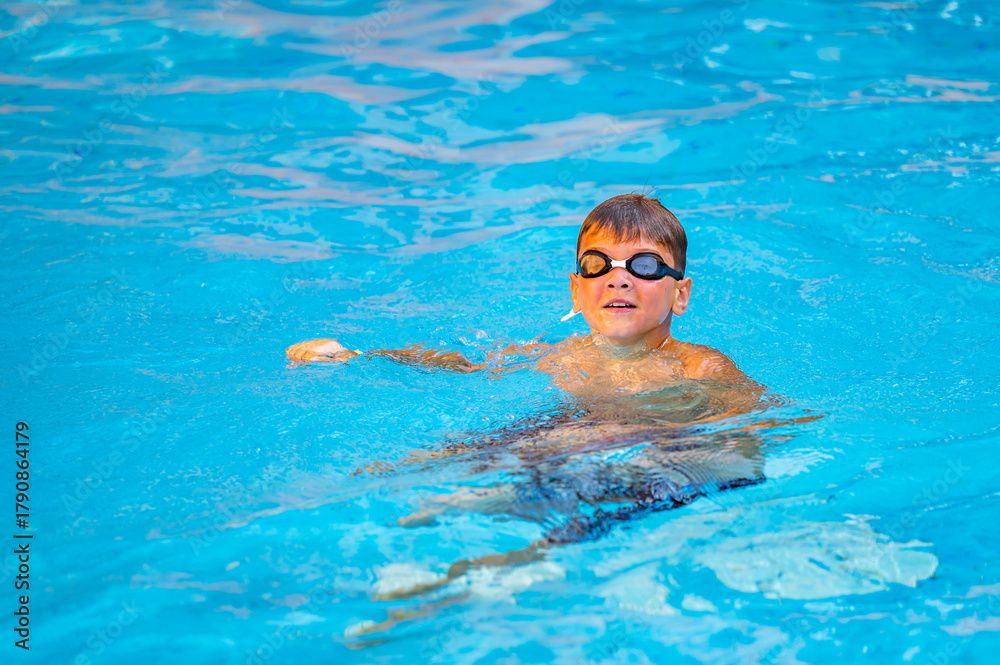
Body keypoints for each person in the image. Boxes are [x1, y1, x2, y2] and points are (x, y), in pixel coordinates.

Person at [285, 193, 763, 411]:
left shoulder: (698, 365)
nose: (619, 280)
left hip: (648, 455)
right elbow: (465, 365)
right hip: (557, 438)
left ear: (680, 293)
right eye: (598, 264)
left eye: (642, 266)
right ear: (576, 290)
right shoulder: (561, 354)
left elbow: (751, 412)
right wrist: (362, 356)